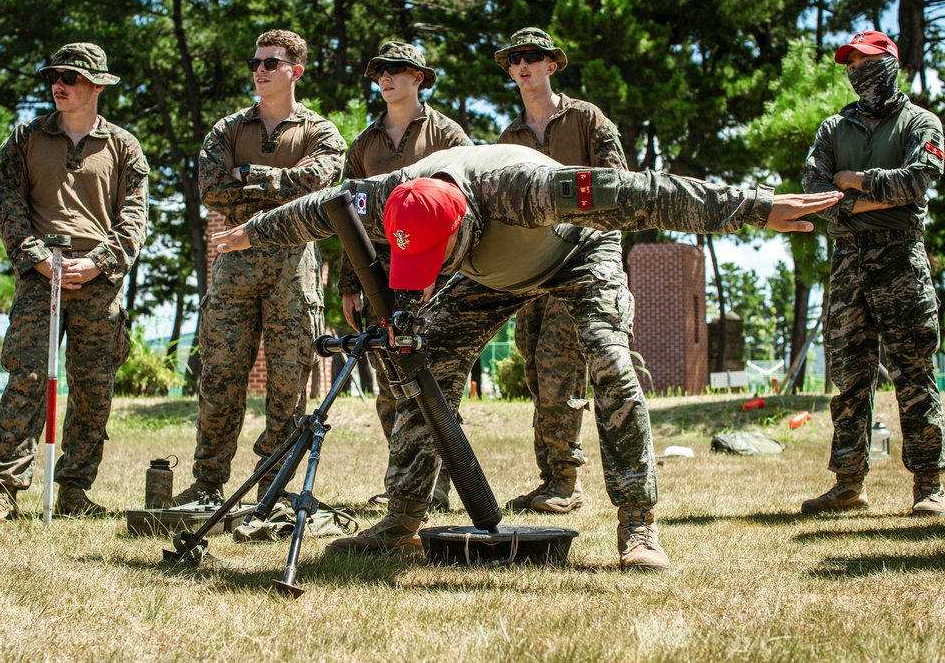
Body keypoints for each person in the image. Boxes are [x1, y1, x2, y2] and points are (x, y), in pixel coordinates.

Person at [210, 144, 841, 570]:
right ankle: (402, 514)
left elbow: (651, 193)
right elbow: (319, 207)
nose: (425, 275)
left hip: (576, 256)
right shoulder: (388, 195)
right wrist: (251, 232)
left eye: (434, 257)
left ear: (465, 222)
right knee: (421, 365)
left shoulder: (529, 191)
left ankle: (638, 523)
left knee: (610, 363)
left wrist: (760, 207)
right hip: (492, 274)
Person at [0, 43, 148, 523]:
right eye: (54, 76)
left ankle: (74, 488)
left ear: (96, 86)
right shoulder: (25, 138)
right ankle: (4, 488)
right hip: (38, 278)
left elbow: (134, 217)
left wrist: (98, 262)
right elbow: (7, 202)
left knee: (93, 389)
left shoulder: (123, 146)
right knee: (26, 379)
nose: (58, 84)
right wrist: (37, 258)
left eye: (70, 78)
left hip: (97, 280)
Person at [172, 29, 346, 505]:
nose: (260, 69)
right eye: (256, 62)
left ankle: (273, 487)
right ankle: (207, 483)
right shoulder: (228, 130)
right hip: (234, 266)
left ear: (296, 70)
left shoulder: (320, 131)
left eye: (271, 62)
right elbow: (212, 189)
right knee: (221, 375)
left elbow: (320, 186)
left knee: (290, 382)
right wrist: (282, 184)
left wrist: (248, 175)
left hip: (294, 267)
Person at [801, 30, 945, 516]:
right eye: (850, 64)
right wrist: (872, 198)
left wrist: (853, 181)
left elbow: (917, 180)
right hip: (846, 262)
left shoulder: (921, 123)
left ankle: (928, 485)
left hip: (900, 257)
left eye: (865, 62)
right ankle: (848, 484)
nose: (856, 72)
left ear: (889, 62)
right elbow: (817, 192)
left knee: (914, 370)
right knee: (848, 376)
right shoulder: (831, 130)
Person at [495, 27, 631, 513]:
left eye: (532, 57)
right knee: (536, 369)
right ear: (509, 70)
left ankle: (566, 483)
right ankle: (552, 478)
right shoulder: (508, 138)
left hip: (580, 263)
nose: (523, 65)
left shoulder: (587, 119)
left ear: (552, 64)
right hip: (530, 271)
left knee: (558, 369)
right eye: (515, 59)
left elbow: (618, 188)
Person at [338, 41, 473, 512]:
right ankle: (405, 487)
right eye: (379, 71)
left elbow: (471, 206)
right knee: (390, 385)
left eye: (396, 70)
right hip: (381, 277)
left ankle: (436, 488)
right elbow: (349, 216)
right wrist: (349, 284)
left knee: (436, 384)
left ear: (418, 77)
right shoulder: (364, 144)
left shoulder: (448, 135)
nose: (385, 78)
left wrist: (457, 276)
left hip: (438, 275)